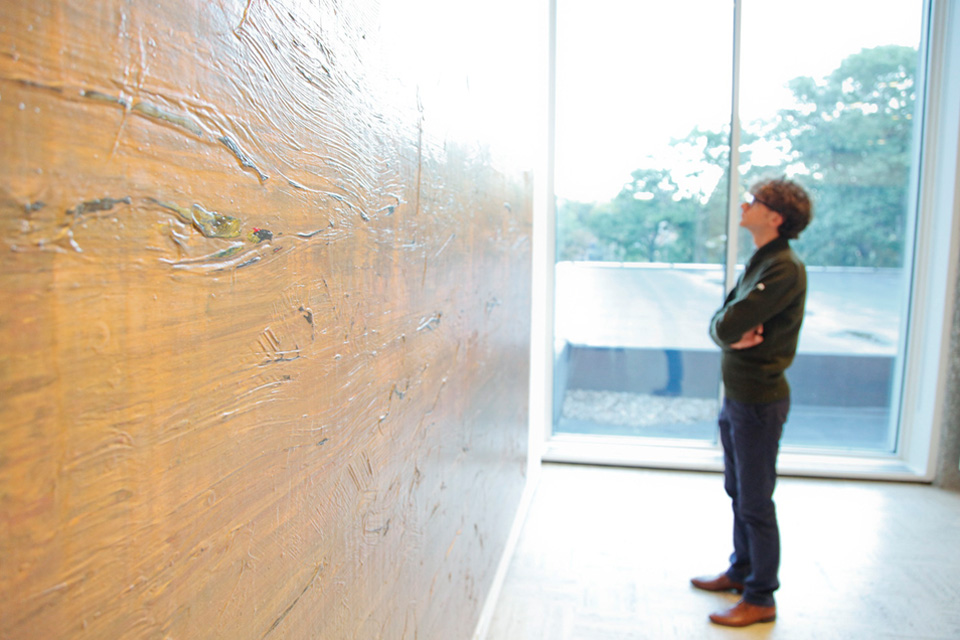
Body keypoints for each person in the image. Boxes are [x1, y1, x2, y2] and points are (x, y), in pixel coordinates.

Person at [691, 177, 813, 627]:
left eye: (755, 201)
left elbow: (725, 326)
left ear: (775, 217)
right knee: (738, 491)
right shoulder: (761, 262)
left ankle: (761, 597)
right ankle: (741, 571)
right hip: (740, 396)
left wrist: (728, 330)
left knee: (756, 501)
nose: (745, 205)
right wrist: (728, 330)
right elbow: (722, 325)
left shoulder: (783, 268)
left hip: (759, 401)